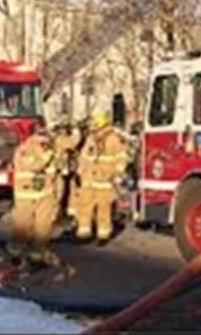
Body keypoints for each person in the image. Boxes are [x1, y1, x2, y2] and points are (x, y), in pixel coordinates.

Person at [72, 110, 131, 243]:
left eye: (95, 124)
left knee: (104, 208)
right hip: (89, 180)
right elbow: (84, 157)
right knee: (84, 206)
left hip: (105, 180)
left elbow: (122, 157)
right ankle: (84, 232)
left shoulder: (114, 139)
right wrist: (80, 172)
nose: (93, 127)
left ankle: (103, 234)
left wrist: (117, 173)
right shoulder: (91, 139)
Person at [8, 126, 63, 266]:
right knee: (23, 224)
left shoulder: (50, 152)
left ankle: (38, 253)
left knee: (43, 225)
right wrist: (46, 155)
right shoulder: (24, 150)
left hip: (46, 194)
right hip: (26, 194)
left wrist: (57, 196)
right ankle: (16, 251)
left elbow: (56, 175)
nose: (44, 142)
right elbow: (34, 165)